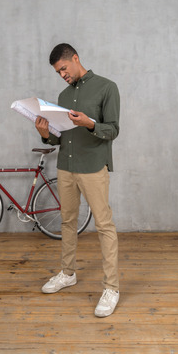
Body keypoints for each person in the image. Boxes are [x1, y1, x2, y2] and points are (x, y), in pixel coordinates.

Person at [35, 43, 120, 318]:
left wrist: (89, 123)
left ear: (75, 58)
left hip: (93, 166)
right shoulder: (63, 94)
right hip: (66, 166)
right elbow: (60, 136)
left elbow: (113, 130)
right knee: (67, 221)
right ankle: (68, 273)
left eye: (63, 68)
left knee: (104, 224)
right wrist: (45, 133)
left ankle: (112, 288)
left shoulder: (107, 87)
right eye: (58, 72)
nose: (62, 75)